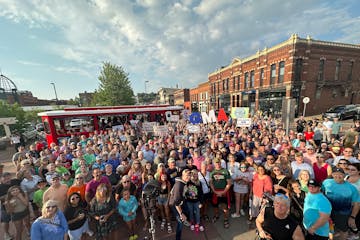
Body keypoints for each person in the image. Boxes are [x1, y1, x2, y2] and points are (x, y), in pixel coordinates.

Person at [322, 167, 360, 240]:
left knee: (343, 231)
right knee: (329, 229)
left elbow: (357, 204)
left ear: (344, 175)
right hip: (328, 212)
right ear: (332, 174)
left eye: (340, 174)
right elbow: (321, 195)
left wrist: (352, 217)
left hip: (343, 214)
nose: (338, 176)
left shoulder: (352, 188)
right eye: (335, 174)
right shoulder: (326, 183)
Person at [168, 169, 191, 240]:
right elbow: (176, 203)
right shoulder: (179, 185)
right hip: (175, 205)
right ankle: (178, 238)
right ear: (182, 175)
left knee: (187, 210)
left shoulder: (183, 182)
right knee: (180, 222)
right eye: (187, 175)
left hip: (181, 202)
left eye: (189, 175)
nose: (189, 177)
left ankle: (185, 219)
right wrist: (181, 214)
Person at [209, 158, 232, 229]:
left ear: (220, 163)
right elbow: (211, 183)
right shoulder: (212, 172)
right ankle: (216, 216)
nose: (217, 164)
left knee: (225, 207)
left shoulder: (225, 171)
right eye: (216, 163)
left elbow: (229, 183)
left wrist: (223, 192)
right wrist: (215, 192)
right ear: (214, 164)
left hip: (224, 191)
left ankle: (225, 219)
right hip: (215, 192)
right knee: (215, 206)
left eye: (218, 162)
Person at [0, 172, 21, 240]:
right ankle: (6, 234)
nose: (7, 180)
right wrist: (9, 196)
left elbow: (21, 179)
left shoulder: (15, 181)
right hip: (5, 207)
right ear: (1, 180)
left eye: (8, 178)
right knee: (5, 221)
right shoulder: (0, 187)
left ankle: (19, 233)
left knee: (18, 220)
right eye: (5, 179)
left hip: (17, 206)